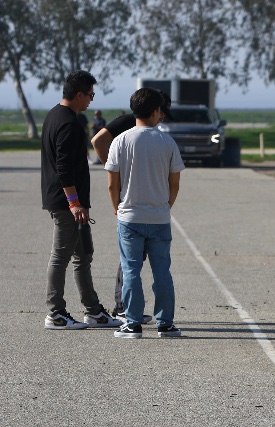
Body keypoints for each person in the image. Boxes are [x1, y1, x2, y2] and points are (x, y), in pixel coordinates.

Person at [41, 70, 122, 330]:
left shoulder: (55, 115)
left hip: (70, 202)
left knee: (83, 256)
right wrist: (74, 203)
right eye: (90, 95)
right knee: (61, 257)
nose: (91, 100)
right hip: (67, 204)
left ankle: (94, 311)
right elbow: (64, 168)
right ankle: (55, 313)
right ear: (78, 94)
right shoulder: (68, 123)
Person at [106, 87, 185, 339]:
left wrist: (117, 208)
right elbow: (175, 183)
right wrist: (167, 204)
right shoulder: (167, 142)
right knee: (162, 271)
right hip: (159, 216)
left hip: (129, 216)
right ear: (154, 111)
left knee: (131, 271)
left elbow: (112, 183)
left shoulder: (121, 141)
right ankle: (165, 323)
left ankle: (132, 322)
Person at [91, 90, 173, 325]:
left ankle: (130, 311)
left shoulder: (151, 133)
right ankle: (123, 307)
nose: (164, 117)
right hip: (134, 202)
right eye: (163, 112)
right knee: (132, 265)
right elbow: (97, 141)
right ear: (155, 109)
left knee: (132, 262)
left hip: (132, 204)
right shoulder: (128, 124)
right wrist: (115, 170)